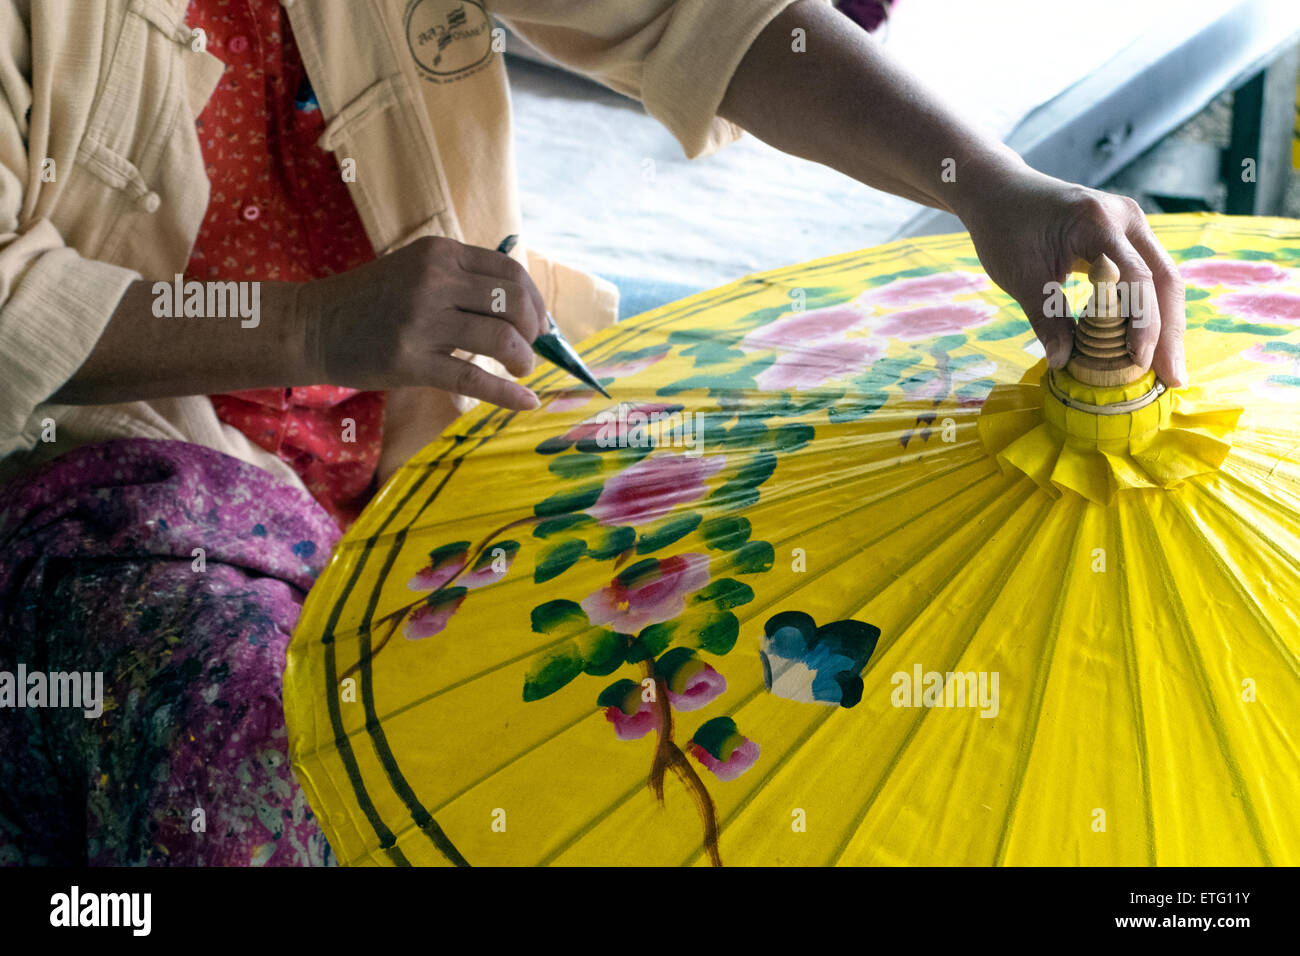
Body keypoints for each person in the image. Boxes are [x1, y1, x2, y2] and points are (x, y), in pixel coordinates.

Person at [0, 0, 1185, 865]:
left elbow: (702, 18)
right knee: (265, 750)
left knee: (785, 628)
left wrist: (985, 183)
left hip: (438, 428)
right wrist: (313, 329)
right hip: (102, 464)